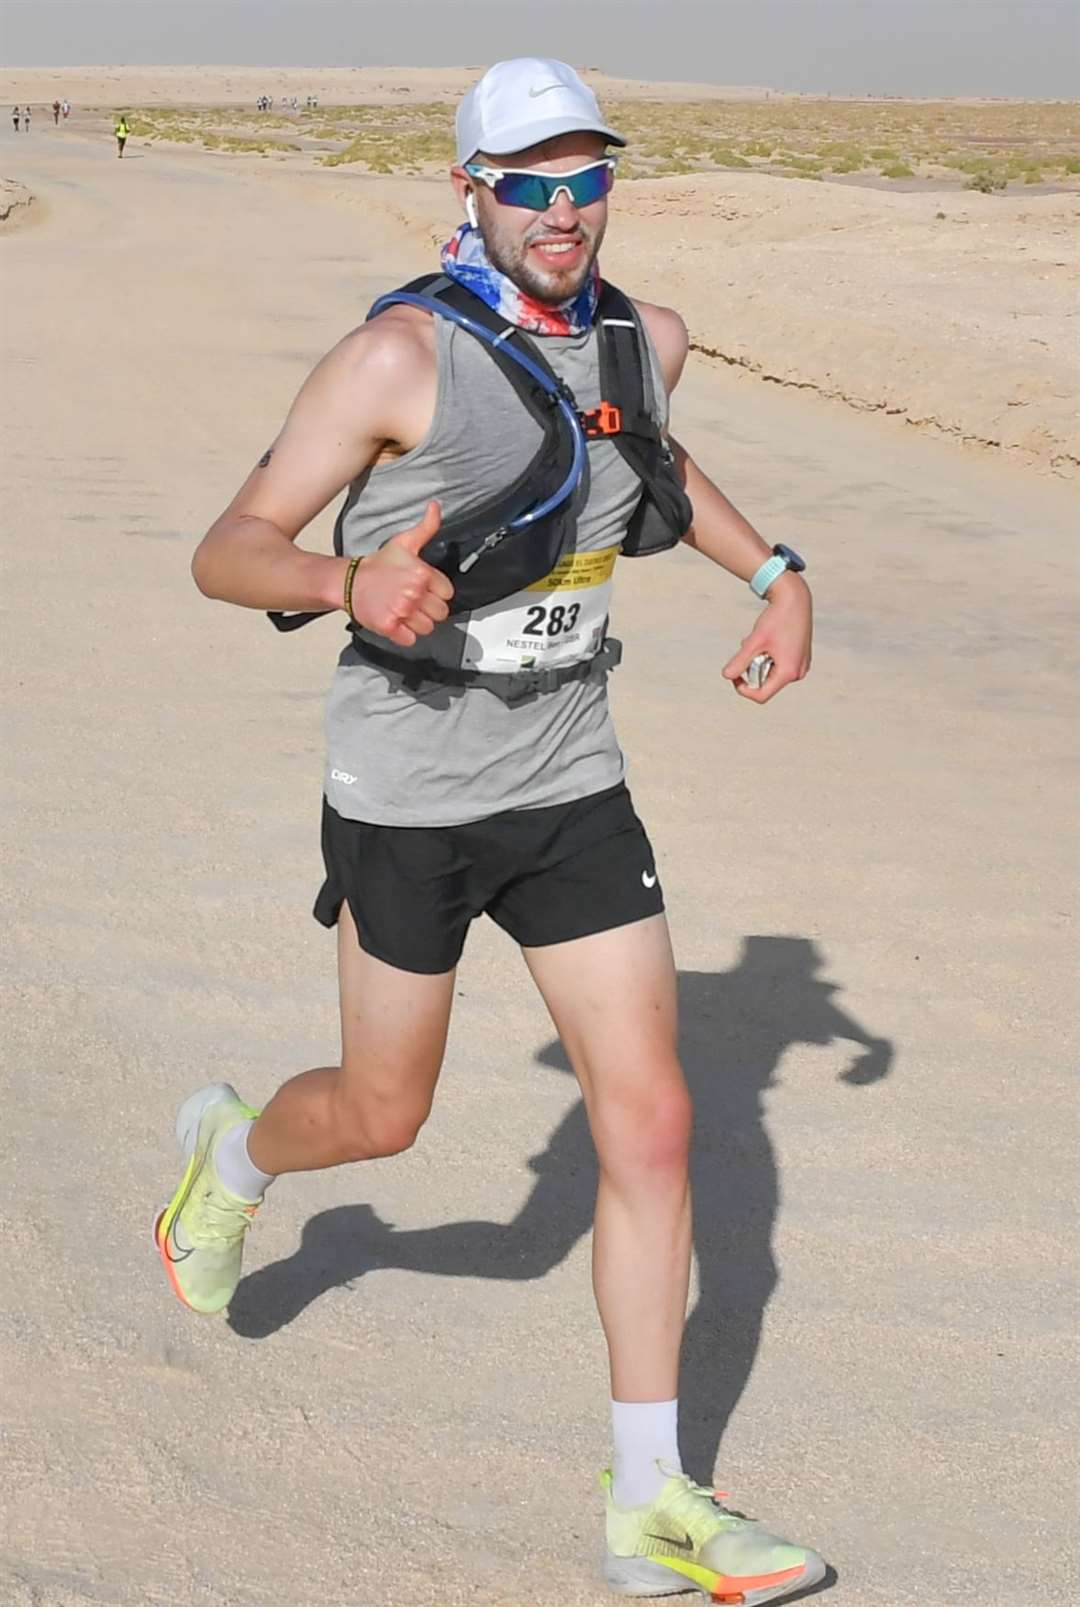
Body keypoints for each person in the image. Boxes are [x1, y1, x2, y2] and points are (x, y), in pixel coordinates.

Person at [156, 56, 822, 1603]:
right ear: (472, 191)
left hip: (573, 781)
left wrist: (773, 570)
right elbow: (224, 548)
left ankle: (652, 1499)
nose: (563, 208)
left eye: (587, 177)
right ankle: (234, 1155)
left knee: (650, 1122)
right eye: (529, 180)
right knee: (384, 1114)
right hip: (410, 794)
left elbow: (646, 460)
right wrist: (343, 583)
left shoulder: (642, 338)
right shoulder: (394, 359)